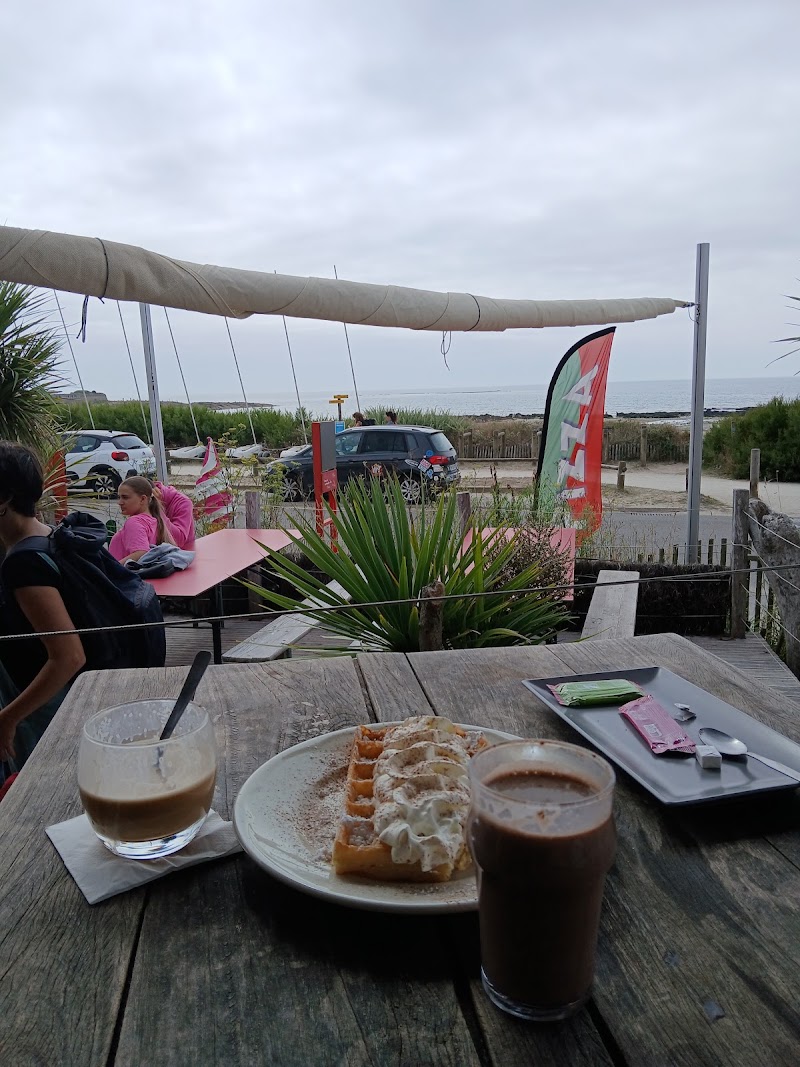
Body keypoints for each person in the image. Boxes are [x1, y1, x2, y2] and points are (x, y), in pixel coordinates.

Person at [0, 441, 86, 768]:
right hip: (57, 705)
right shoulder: (49, 535)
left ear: (5, 498)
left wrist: (8, 718)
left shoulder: (24, 564)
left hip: (44, 712)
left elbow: (69, 656)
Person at [108, 476, 176, 564]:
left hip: (122, 576)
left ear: (142, 499)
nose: (120, 502)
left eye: (125, 497)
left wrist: (110, 570)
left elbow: (141, 553)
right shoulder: (154, 520)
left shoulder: (134, 522)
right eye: (119, 497)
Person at [153, 481, 196, 550]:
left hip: (183, 554)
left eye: (129, 497)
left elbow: (179, 540)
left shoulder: (183, 503)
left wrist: (157, 510)